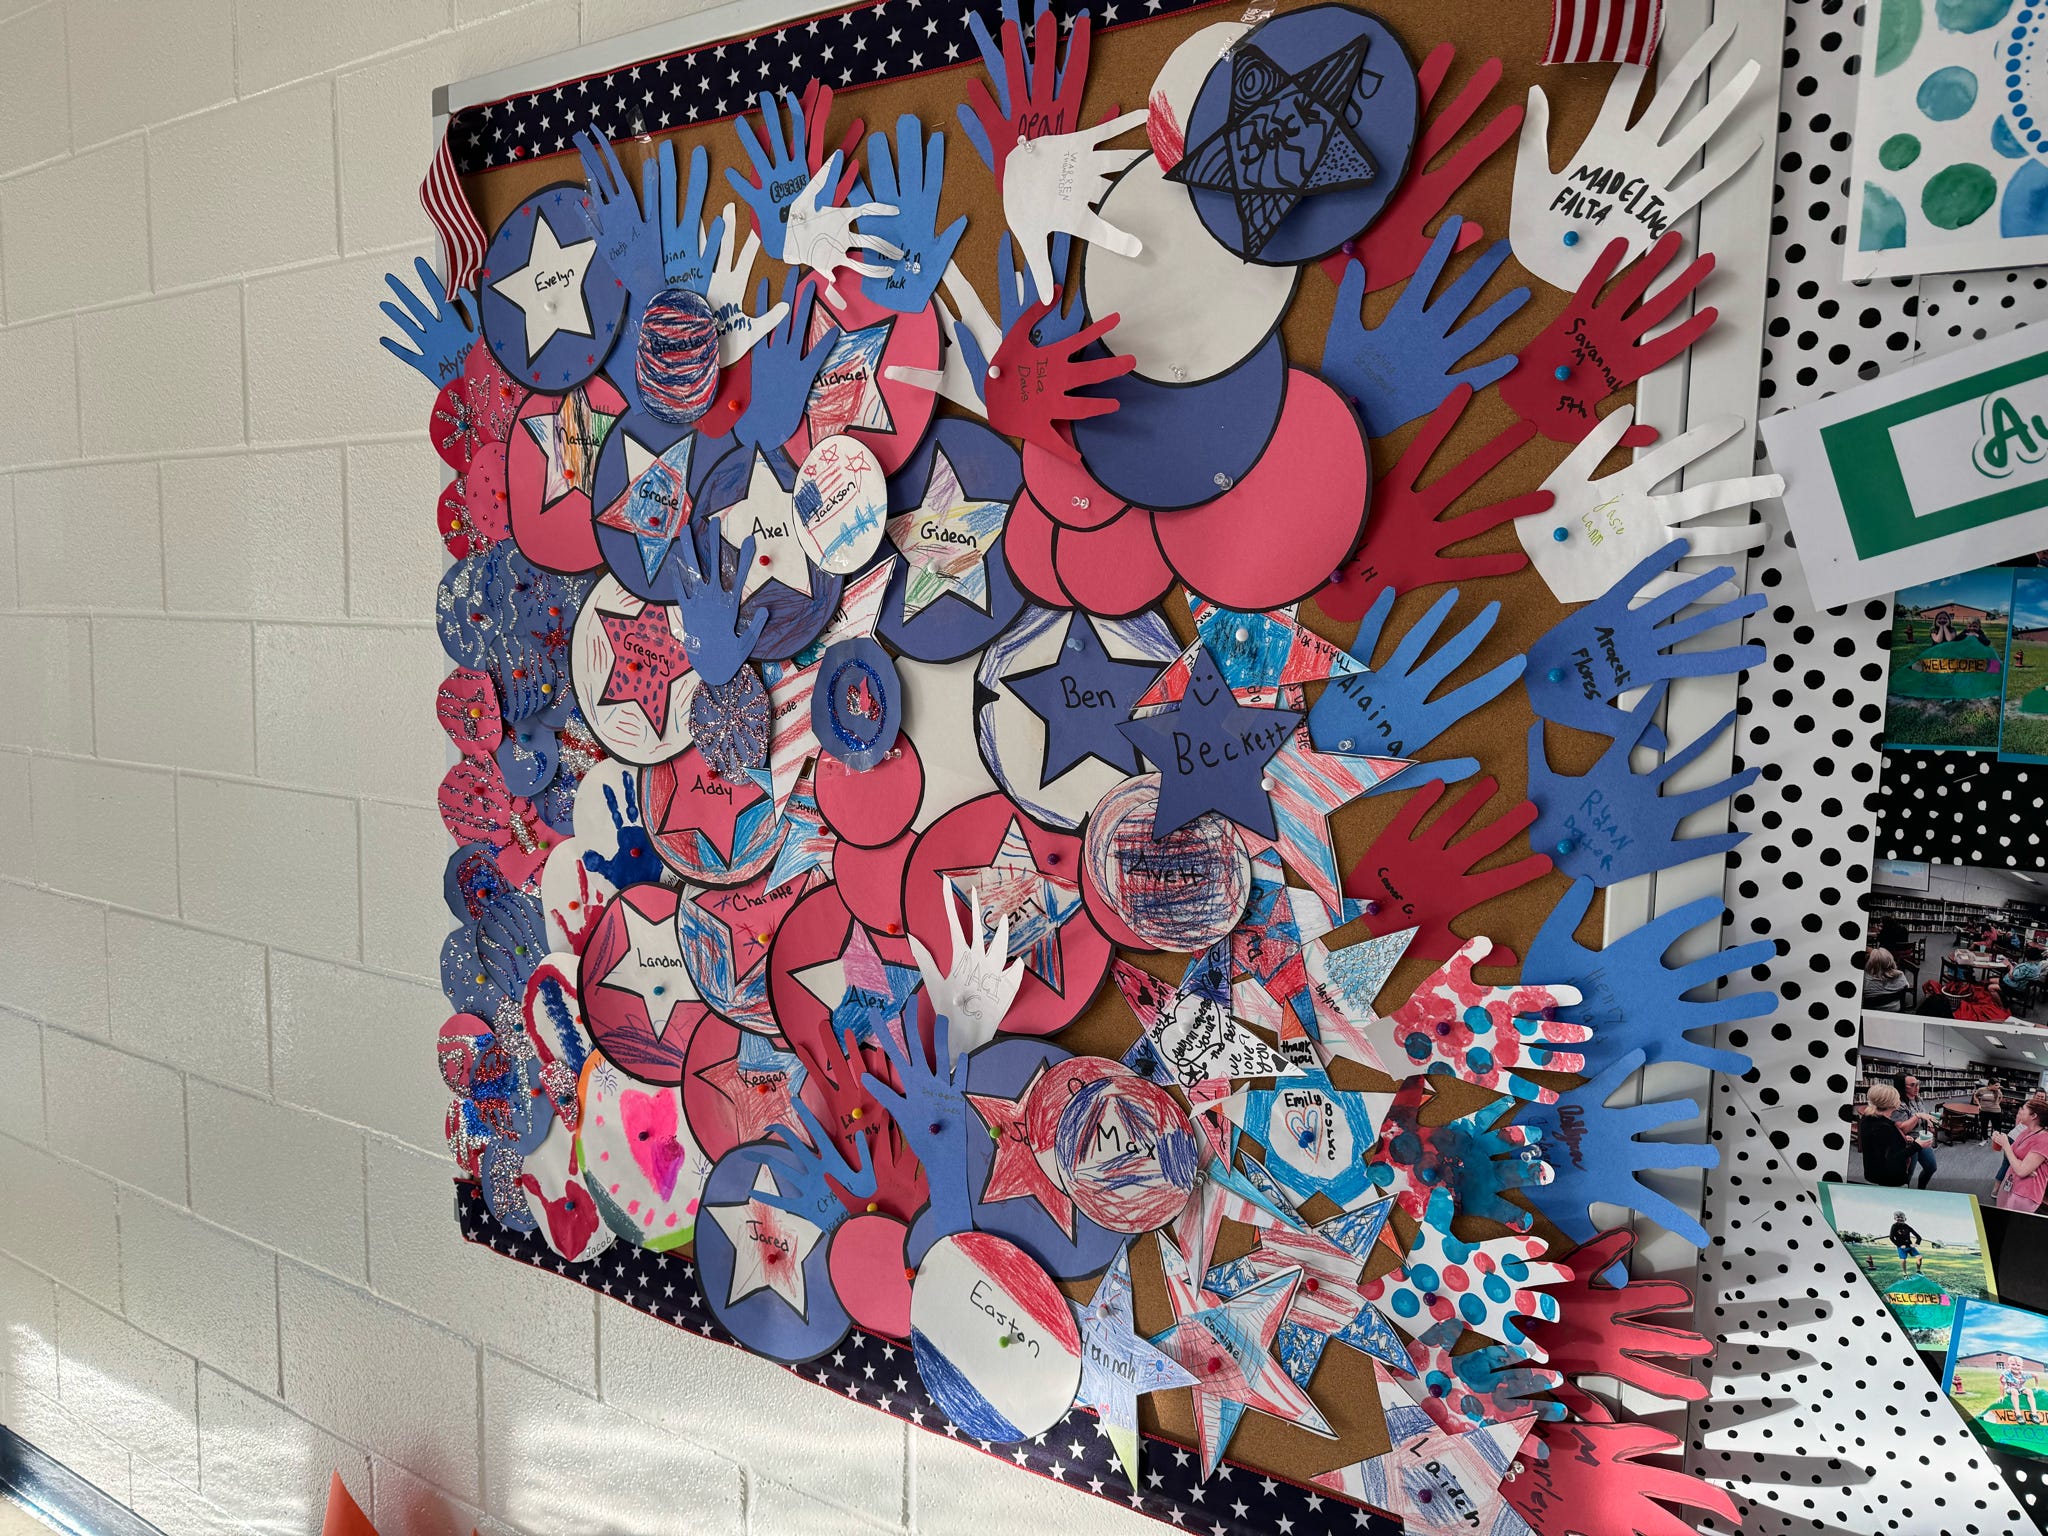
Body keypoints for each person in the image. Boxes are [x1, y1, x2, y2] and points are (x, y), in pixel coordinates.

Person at [1993, 1095, 2048, 1212]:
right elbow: (2011, 1156)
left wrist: (2006, 1145)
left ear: (2033, 1116)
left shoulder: (2044, 1140)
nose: (2019, 1111)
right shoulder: (2026, 1131)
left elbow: (2021, 1171)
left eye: (2023, 1109)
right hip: (2010, 1183)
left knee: (2011, 1222)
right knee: (2000, 1216)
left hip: (2025, 1193)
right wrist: (2020, 1164)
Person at [1861, 1084, 1918, 1187]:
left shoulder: (1867, 1118)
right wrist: (1918, 1145)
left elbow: (1880, 1144)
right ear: (1894, 1103)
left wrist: (1901, 1139)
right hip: (1889, 1179)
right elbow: (1895, 1157)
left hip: (1872, 1172)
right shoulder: (1885, 1127)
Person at [1894, 1074, 1939, 1189]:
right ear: (1902, 1087)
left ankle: (1921, 1189)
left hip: (1922, 1137)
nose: (1917, 1087)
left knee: (1931, 1167)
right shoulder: (1898, 1104)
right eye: (1912, 1085)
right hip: (1908, 1141)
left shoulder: (1919, 1099)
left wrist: (1929, 1124)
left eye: (1918, 1084)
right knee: (1908, 1173)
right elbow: (1903, 1129)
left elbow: (1923, 1116)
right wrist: (1917, 1116)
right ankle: (1906, 1194)